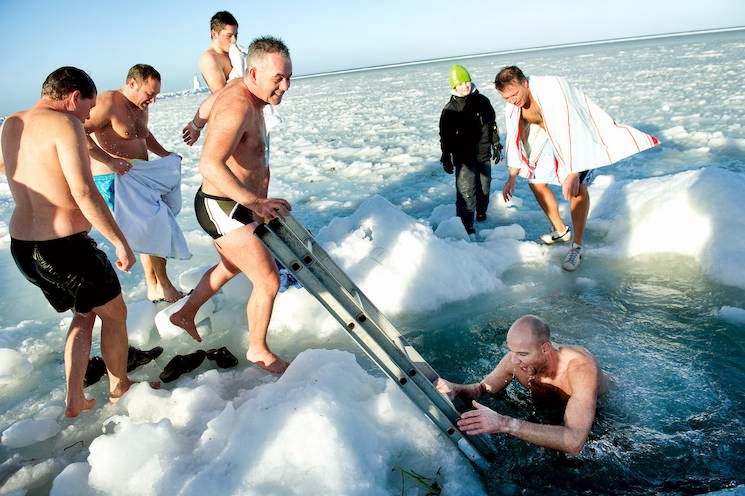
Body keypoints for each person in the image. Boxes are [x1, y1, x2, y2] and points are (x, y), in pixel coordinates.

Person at [0, 66, 142, 417]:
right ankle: (119, 385)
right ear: (73, 97)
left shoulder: (12, 123)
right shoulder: (66, 124)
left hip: (23, 246)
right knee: (116, 314)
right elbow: (83, 190)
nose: (87, 118)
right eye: (87, 110)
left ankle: (74, 396)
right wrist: (120, 242)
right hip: (63, 247)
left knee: (85, 313)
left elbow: (7, 167)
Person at [169, 36, 293, 374]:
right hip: (221, 205)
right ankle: (258, 350)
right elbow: (210, 165)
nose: (285, 86)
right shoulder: (239, 105)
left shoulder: (241, 90)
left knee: (231, 265)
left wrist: (196, 124)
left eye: (288, 77)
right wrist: (256, 201)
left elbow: (209, 105)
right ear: (254, 74)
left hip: (231, 203)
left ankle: (185, 313)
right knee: (267, 281)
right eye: (277, 78)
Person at [494, 66, 659, 270]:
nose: (513, 101)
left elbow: (570, 127)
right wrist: (512, 176)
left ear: (525, 83)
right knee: (535, 182)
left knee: (578, 188)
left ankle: (578, 246)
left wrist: (573, 171)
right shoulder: (513, 106)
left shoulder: (552, 90)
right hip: (547, 138)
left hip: (580, 135)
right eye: (507, 98)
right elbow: (513, 136)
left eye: (515, 94)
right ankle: (560, 230)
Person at [436, 315, 610, 455]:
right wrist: (456, 389)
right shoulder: (516, 361)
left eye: (522, 354)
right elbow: (482, 388)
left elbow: (574, 442)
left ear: (545, 348)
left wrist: (504, 423)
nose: (513, 360)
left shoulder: (580, 369)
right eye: (511, 351)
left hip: (599, 415)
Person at [85, 64, 186, 303]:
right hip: (114, 179)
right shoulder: (108, 102)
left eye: (156, 95)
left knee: (147, 229)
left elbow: (144, 134)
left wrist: (165, 154)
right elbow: (78, 132)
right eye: (149, 94)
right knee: (158, 224)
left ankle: (153, 287)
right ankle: (166, 285)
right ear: (132, 84)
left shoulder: (141, 107)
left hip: (139, 174)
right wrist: (109, 161)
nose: (153, 100)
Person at [439, 64, 502, 235]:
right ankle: (466, 226)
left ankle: (481, 212)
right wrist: (446, 155)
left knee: (484, 187)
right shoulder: (450, 110)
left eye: (467, 81)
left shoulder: (483, 101)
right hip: (464, 158)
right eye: (460, 83)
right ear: (454, 87)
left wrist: (496, 144)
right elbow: (446, 136)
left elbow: (492, 124)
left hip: (483, 155)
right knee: (466, 193)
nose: (465, 86)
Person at [198, 10, 240, 93]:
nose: (234, 40)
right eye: (229, 36)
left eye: (235, 35)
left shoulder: (235, 53)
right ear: (214, 34)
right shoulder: (209, 59)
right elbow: (221, 95)